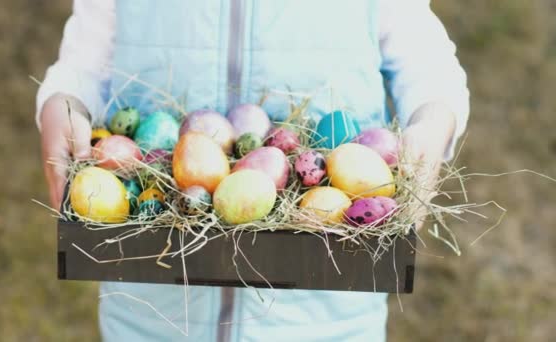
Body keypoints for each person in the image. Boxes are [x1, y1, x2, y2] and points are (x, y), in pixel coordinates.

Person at [37, 0, 469, 341]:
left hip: (322, 318)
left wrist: (433, 118)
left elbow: (425, 60)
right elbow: (85, 62)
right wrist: (64, 101)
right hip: (155, 312)